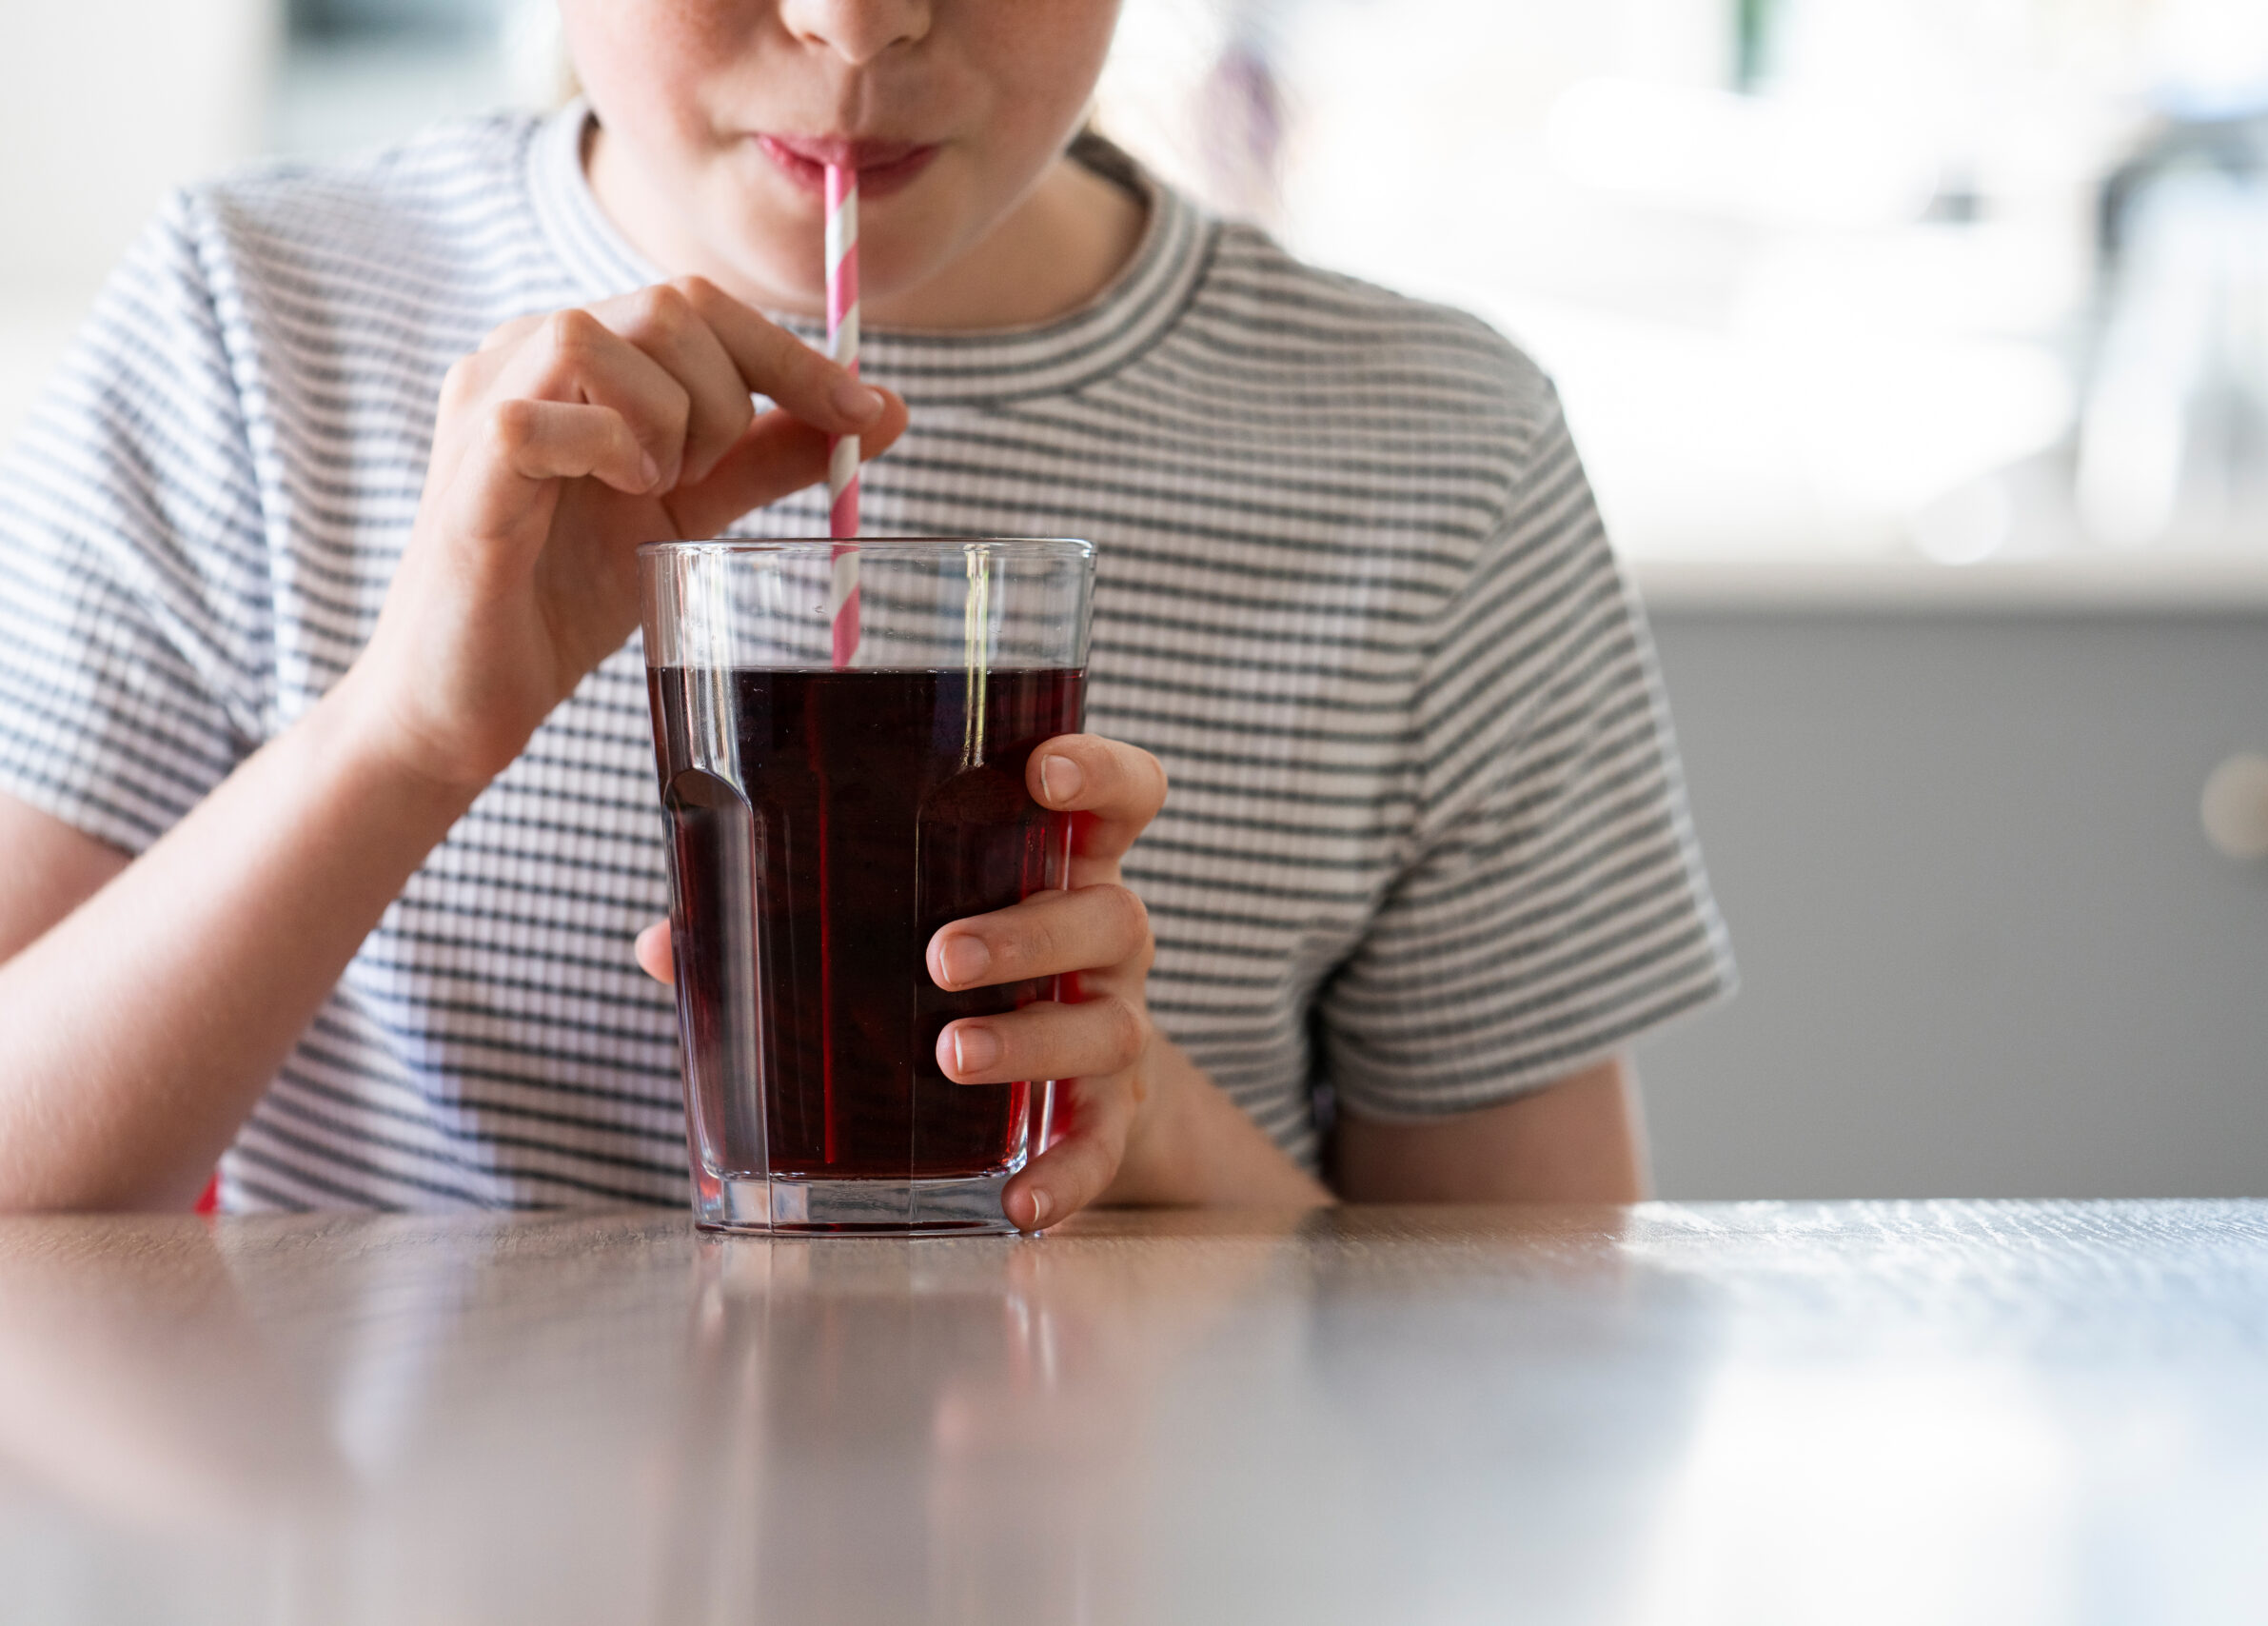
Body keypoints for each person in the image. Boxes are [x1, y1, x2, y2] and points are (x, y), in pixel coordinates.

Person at [0, 0, 1731, 1223]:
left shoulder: (1435, 449)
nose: (854, 22)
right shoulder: (255, 324)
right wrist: (402, 736)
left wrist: (1158, 1150)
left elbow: (1540, 1342)